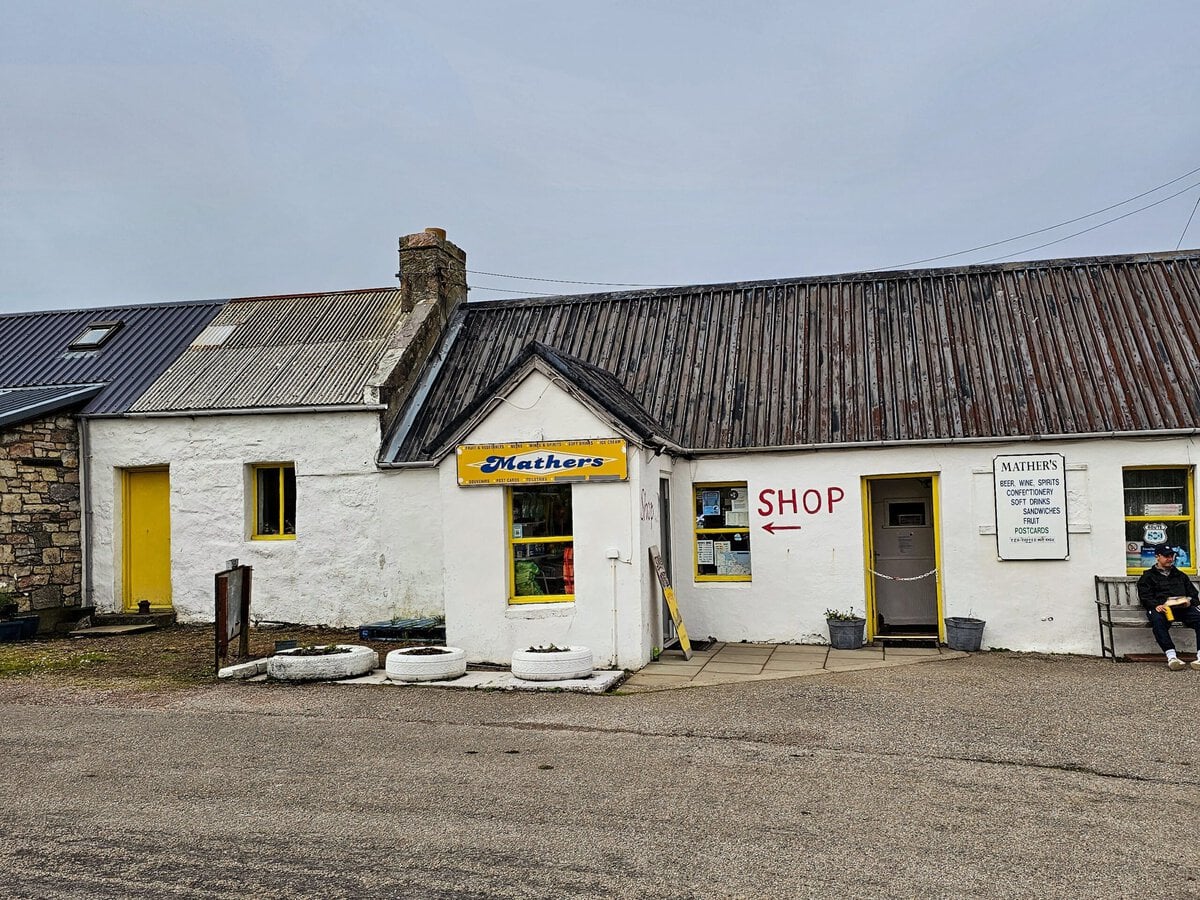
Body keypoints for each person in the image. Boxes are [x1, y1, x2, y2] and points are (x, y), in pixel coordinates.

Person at [1136, 543, 1200, 670]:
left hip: (1182, 609)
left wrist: (1189, 601)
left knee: (1199, 618)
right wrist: (1155, 605)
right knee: (1157, 620)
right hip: (1162, 609)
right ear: (1157, 557)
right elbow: (1145, 596)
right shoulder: (1148, 576)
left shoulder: (1180, 575)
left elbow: (1194, 595)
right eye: (1166, 556)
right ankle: (1172, 657)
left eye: (1172, 556)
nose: (1170, 559)